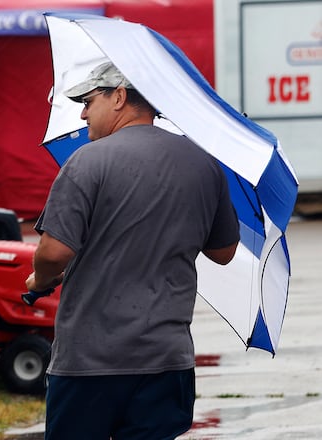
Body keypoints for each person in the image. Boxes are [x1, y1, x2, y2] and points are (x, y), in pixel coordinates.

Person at [25, 62, 240, 439]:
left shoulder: (87, 161)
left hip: (90, 362)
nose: (83, 112)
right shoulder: (204, 164)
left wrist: (40, 278)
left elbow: (54, 252)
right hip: (167, 360)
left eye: (90, 101)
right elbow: (224, 252)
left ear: (119, 97)